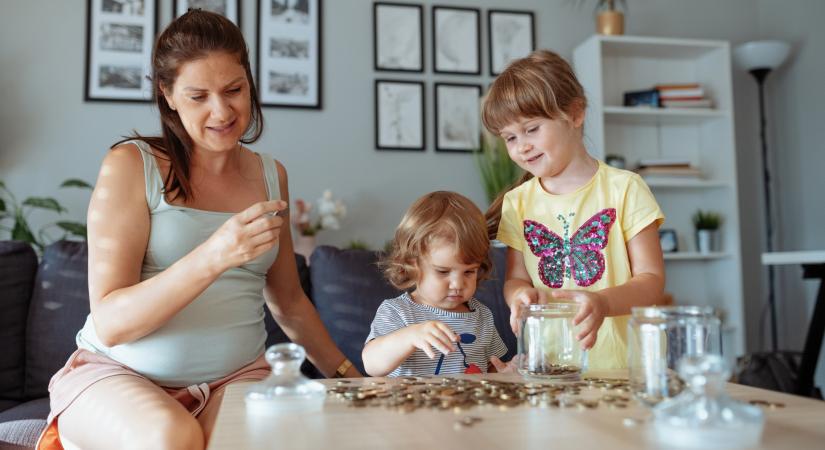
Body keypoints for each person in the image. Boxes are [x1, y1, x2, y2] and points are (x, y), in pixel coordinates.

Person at [37, 10, 359, 450]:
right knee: (174, 437)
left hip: (236, 377)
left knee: (284, 436)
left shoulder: (271, 175)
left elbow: (288, 300)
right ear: (167, 95)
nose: (222, 111)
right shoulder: (132, 166)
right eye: (198, 96)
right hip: (118, 375)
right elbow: (111, 323)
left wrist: (354, 381)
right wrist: (215, 255)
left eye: (234, 90)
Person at [482, 49, 667, 371]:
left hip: (625, 368)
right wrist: (519, 297)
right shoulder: (518, 202)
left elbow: (651, 282)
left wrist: (603, 303)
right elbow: (515, 279)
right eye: (510, 137)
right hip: (551, 366)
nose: (521, 146)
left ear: (575, 114)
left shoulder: (625, 188)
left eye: (531, 129)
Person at [362, 191, 510, 377]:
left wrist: (504, 372)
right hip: (412, 405)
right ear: (412, 264)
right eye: (443, 271)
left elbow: (488, 367)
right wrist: (410, 336)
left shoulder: (481, 316)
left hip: (469, 404)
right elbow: (371, 364)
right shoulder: (397, 311)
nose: (457, 284)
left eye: (469, 271)